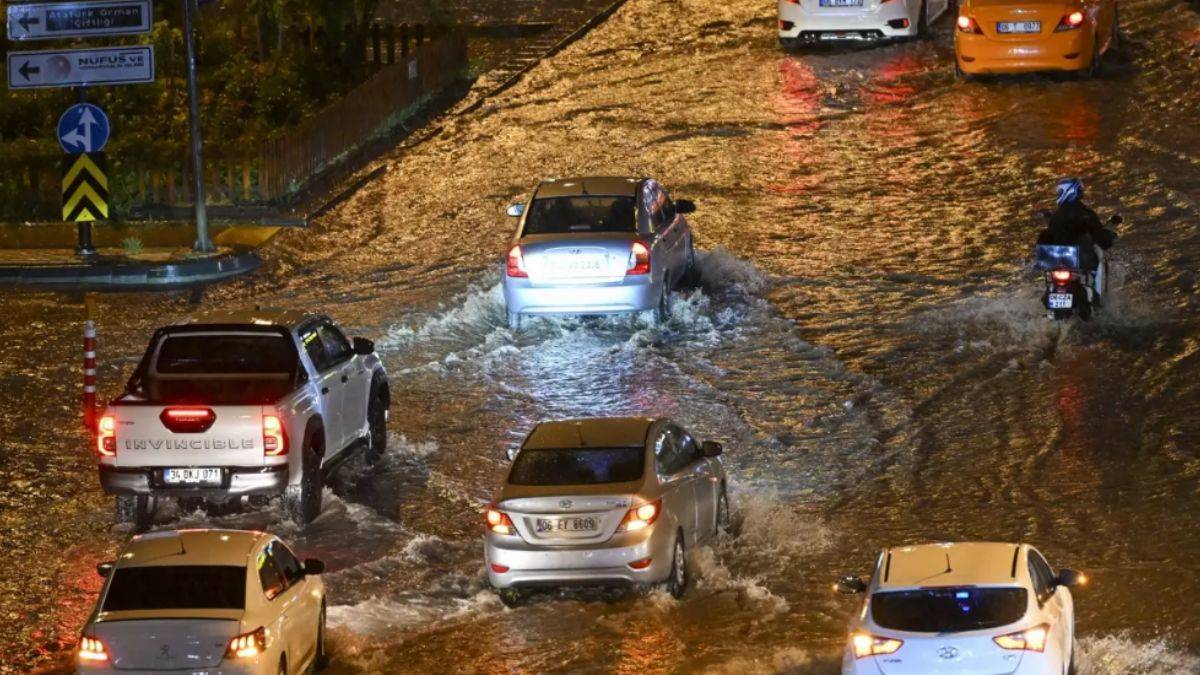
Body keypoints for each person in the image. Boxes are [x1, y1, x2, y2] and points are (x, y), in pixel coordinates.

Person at [1036, 178, 1116, 271]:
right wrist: (1109, 236)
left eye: (1060, 192)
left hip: (1055, 262)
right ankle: (1097, 284)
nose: (1058, 195)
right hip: (1081, 262)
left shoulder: (1057, 215)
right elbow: (1097, 232)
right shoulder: (1085, 212)